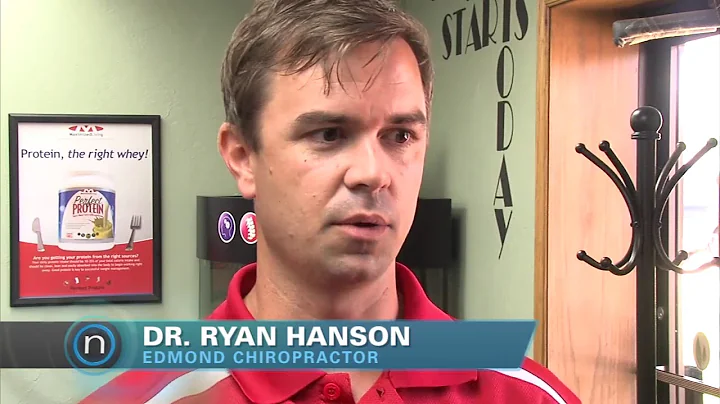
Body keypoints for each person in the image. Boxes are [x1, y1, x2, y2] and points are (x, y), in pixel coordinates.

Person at [81, 0, 581, 402]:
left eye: (400, 136)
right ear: (241, 157)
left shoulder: (520, 392)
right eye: (328, 133)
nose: (372, 173)